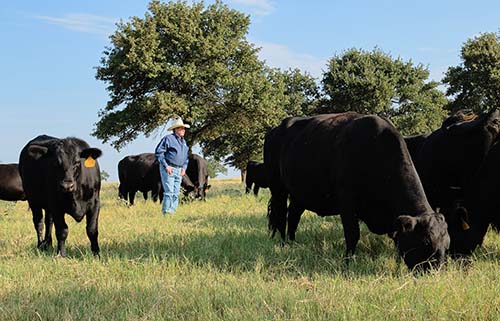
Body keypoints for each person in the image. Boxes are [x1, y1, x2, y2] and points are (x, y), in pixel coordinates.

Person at [155, 118, 190, 215]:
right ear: (175, 129)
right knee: (169, 192)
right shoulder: (168, 139)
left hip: (179, 170)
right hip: (169, 168)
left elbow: (186, 157)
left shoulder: (184, 142)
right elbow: (159, 152)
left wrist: (184, 168)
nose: (183, 130)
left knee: (176, 193)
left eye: (184, 128)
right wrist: (166, 166)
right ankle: (166, 213)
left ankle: (172, 212)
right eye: (181, 128)